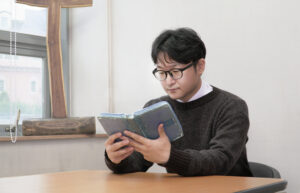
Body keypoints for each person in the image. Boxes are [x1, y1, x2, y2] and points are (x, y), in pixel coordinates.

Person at [104, 27, 253, 177]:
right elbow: (137, 162)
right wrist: (117, 159)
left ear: (200, 66)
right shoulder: (155, 109)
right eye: (162, 72)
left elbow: (220, 161)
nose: (168, 81)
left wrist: (170, 156)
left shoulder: (231, 107)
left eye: (175, 72)